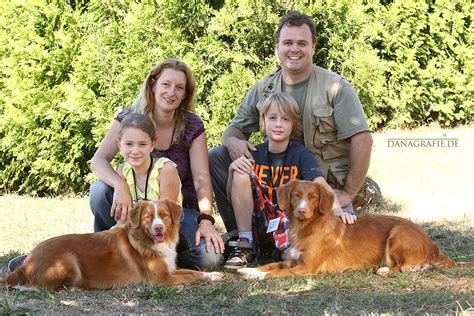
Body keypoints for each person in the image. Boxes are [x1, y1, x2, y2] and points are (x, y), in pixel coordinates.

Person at [209, 11, 373, 236]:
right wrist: (232, 143)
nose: (294, 49)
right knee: (217, 156)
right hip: (275, 180)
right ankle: (244, 236)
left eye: (302, 43)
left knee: (339, 237)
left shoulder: (335, 87)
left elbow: (363, 140)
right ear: (277, 47)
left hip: (320, 185)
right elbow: (234, 129)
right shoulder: (264, 88)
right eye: (287, 42)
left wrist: (347, 194)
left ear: (313, 47)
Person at [89, 58, 224, 270]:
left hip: (177, 211)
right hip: (134, 210)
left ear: (185, 94)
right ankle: (109, 250)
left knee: (210, 257)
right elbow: (98, 160)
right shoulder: (130, 118)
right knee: (99, 191)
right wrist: (120, 186)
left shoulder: (192, 125)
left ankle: (156, 257)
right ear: (153, 84)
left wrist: (206, 220)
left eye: (179, 88)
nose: (172, 92)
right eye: (166, 84)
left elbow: (201, 178)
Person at [223, 93, 355, 269]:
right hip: (258, 220)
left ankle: (280, 252)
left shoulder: (301, 154)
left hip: (286, 221)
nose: (278, 124)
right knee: (240, 171)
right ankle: (246, 244)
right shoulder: (253, 153)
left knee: (294, 259)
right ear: (263, 122)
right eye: (272, 118)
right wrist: (233, 170)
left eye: (285, 119)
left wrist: (338, 210)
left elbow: (319, 183)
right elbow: (233, 196)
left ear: (293, 124)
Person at [116, 113, 181, 210]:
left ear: (152, 145)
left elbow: (165, 216)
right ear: (120, 145)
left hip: (162, 223)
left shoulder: (165, 169)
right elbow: (122, 218)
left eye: (142, 144)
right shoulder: (122, 170)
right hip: (134, 223)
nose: (135, 151)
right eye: (129, 144)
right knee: (99, 189)